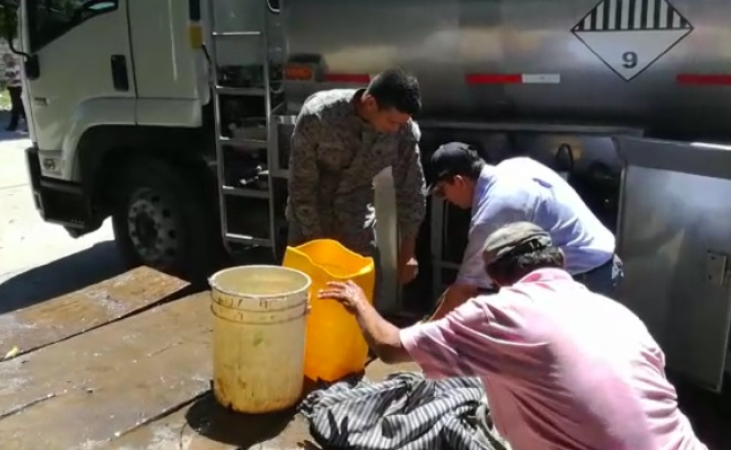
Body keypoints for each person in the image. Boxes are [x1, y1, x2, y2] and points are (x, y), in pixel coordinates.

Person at [319, 222, 707, 450]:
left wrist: (358, 301)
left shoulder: (497, 313)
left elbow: (389, 346)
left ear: (496, 278)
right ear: (560, 262)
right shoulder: (619, 315)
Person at [426, 142, 621, 319]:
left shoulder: (493, 212)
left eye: (441, 191)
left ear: (459, 181)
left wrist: (424, 332)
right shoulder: (516, 166)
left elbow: (465, 289)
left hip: (584, 276)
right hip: (604, 262)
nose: (446, 199)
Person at [286, 69, 426, 285]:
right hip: (309, 220)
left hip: (355, 217)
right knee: (305, 295)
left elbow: (411, 190)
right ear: (370, 103)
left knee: (363, 291)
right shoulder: (319, 117)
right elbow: (302, 186)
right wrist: (320, 250)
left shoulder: (402, 130)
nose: (396, 129)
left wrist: (408, 252)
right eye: (392, 122)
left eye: (402, 123)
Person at [3, 53, 24, 132]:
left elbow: (11, 80)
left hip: (17, 89)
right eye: (5, 60)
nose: (7, 61)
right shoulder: (8, 69)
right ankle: (28, 124)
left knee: (16, 108)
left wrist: (12, 78)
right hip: (13, 89)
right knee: (20, 107)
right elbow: (8, 82)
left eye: (8, 59)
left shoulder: (17, 67)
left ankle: (13, 126)